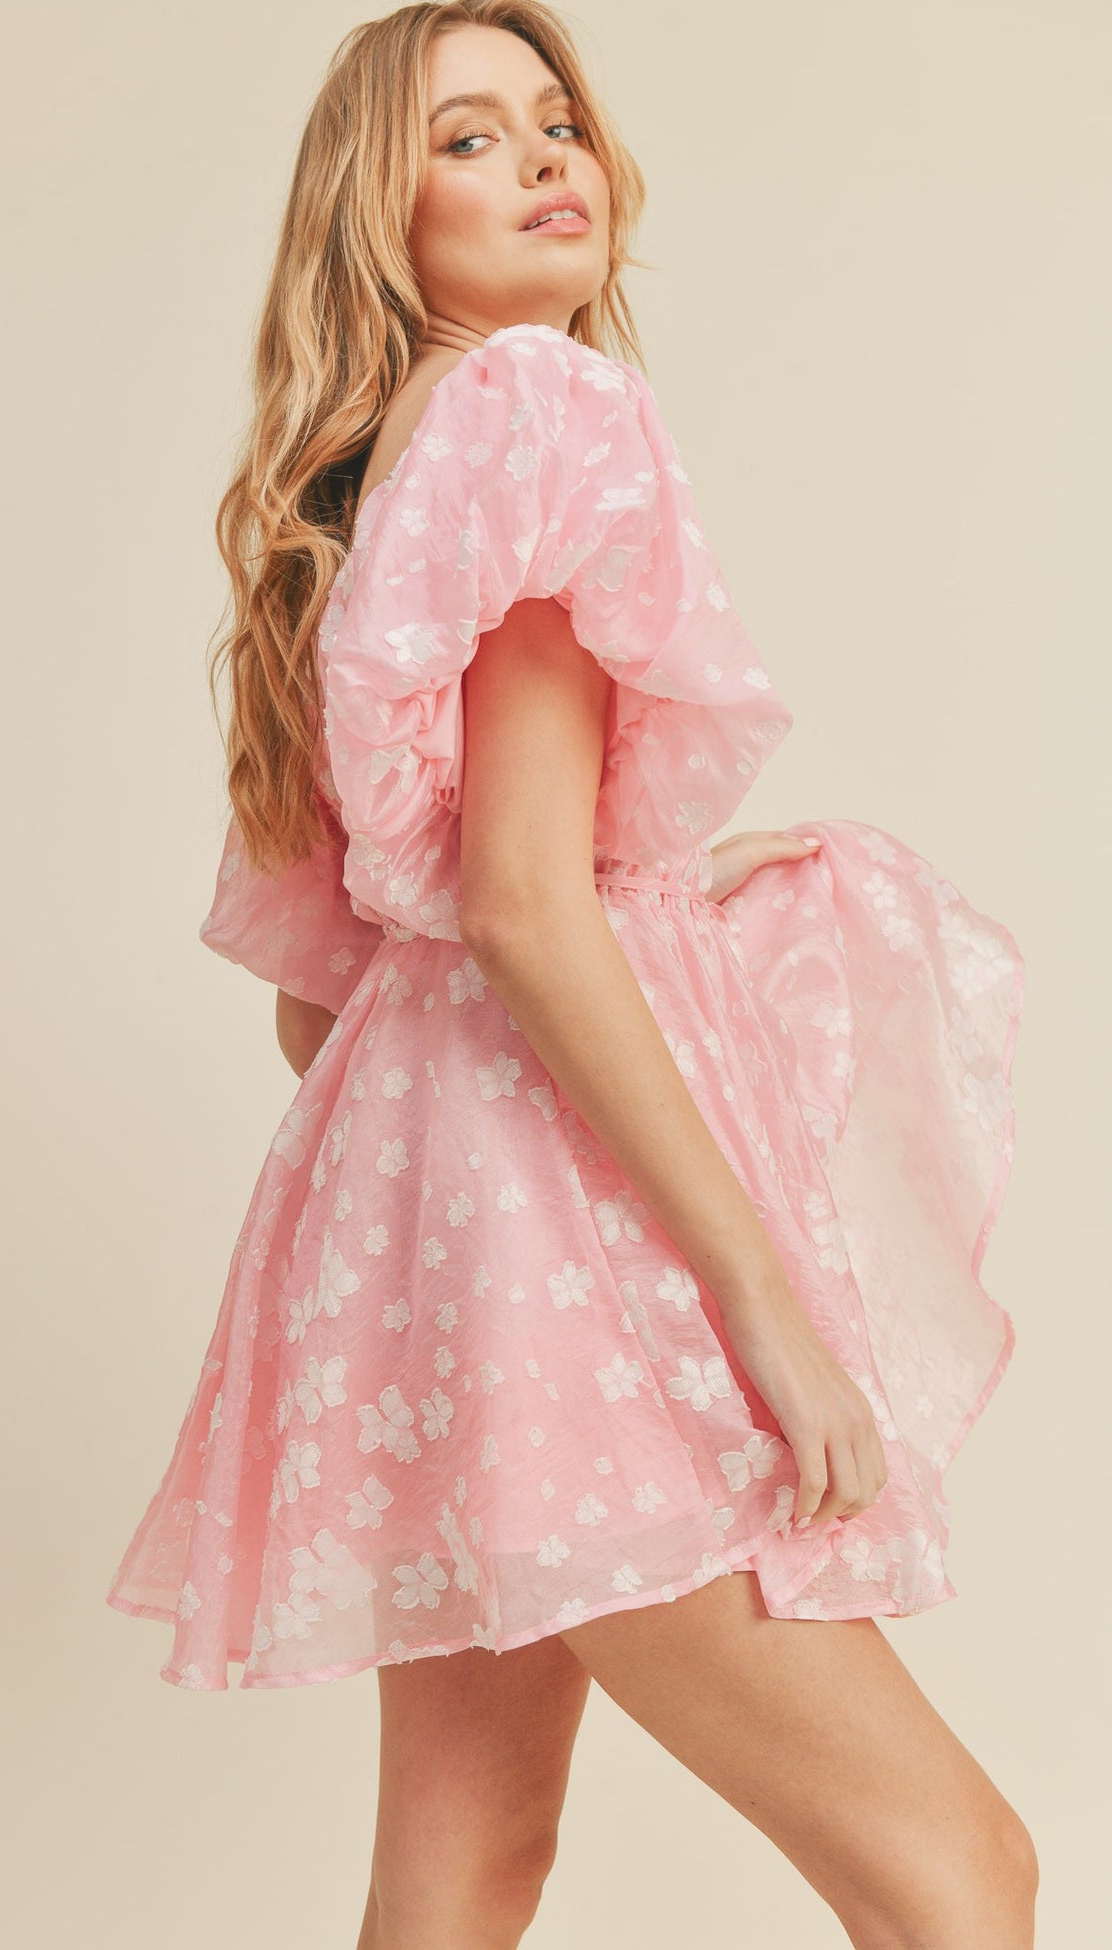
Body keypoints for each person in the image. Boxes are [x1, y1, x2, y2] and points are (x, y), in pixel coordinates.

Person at [105, 4, 1038, 1943]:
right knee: (959, 1875)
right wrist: (758, 1304)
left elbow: (330, 999)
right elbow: (520, 911)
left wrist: (655, 897)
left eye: (556, 120)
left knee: (465, 1871)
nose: (542, 157)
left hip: (423, 1274)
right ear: (378, 219)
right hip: (573, 1274)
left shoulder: (358, 493)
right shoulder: (539, 411)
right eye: (466, 138)